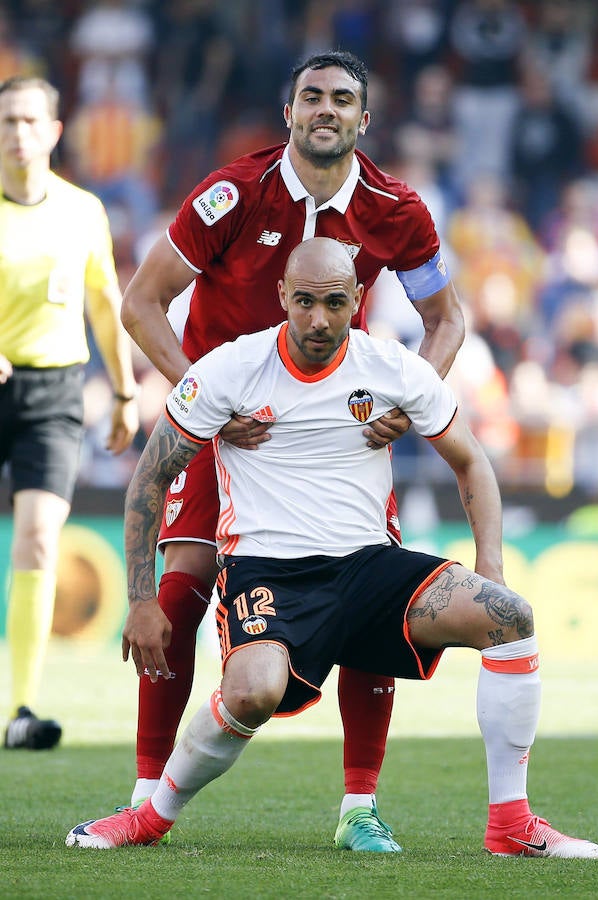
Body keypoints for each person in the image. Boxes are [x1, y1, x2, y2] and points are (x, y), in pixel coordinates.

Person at [66, 238, 598, 859]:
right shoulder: (228, 369)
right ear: (282, 299)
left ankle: (511, 824)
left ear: (357, 300)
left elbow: (472, 464)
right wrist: (140, 597)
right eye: (304, 302)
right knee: (251, 692)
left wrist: (492, 565)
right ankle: (151, 816)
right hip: (267, 571)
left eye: (333, 303)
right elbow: (150, 479)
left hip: (370, 566)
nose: (318, 319)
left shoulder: (393, 368)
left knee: (511, 618)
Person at [118, 50, 465, 850]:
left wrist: (411, 406)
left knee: (372, 585)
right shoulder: (233, 193)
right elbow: (144, 303)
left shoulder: (395, 208)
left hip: (333, 425)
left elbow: (448, 320)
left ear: (363, 120)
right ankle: (145, 792)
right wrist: (200, 404)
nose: (325, 110)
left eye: (342, 100)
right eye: (311, 96)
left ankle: (358, 809)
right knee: (185, 581)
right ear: (289, 111)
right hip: (226, 421)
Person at [0, 76, 139, 750]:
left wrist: (123, 391)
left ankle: (21, 707)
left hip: (53, 393)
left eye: (29, 121)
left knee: (39, 538)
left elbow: (105, 303)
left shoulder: (83, 210)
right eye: (7, 121)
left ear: (55, 131)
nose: (17, 133)